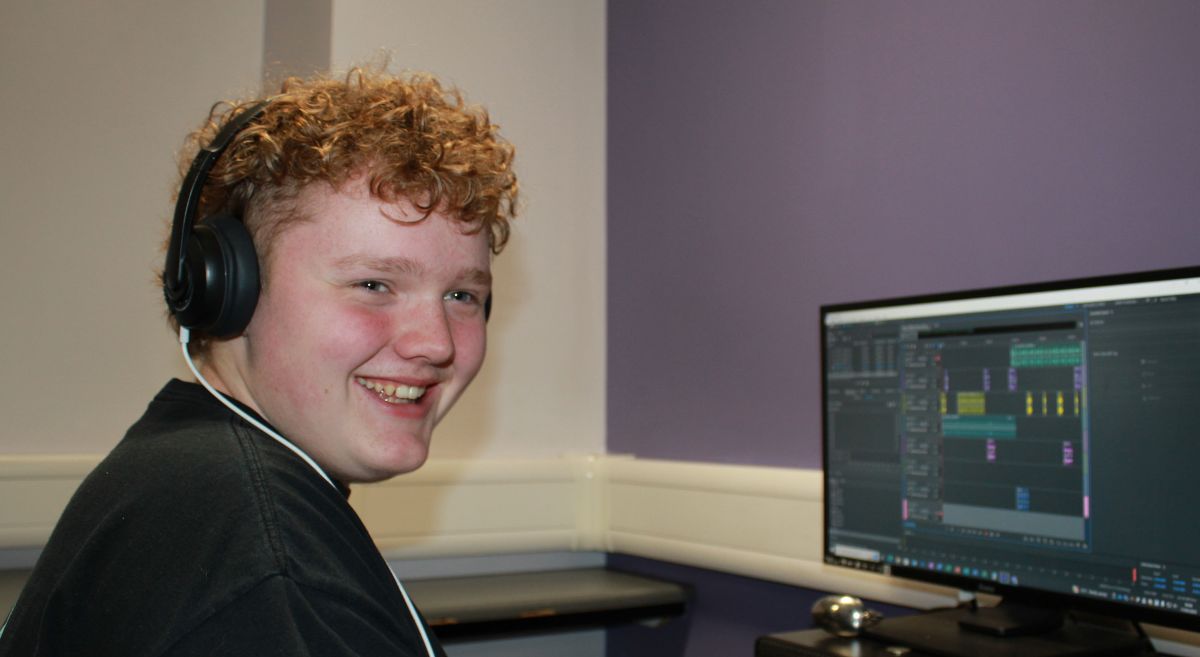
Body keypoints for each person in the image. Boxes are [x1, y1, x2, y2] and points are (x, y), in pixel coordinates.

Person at [0, 67, 517, 656]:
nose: (436, 343)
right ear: (226, 289)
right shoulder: (269, 572)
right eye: (373, 284)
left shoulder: (189, 482)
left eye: (462, 296)